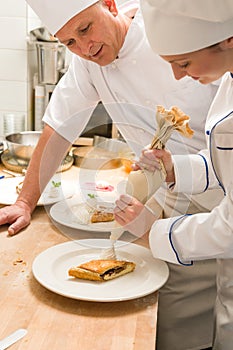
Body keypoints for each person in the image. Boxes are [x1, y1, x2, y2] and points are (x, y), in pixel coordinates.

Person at [0, 0, 222, 348]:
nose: (84, 48)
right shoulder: (87, 65)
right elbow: (58, 127)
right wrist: (25, 202)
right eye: (69, 42)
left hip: (222, 203)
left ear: (109, 5)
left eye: (86, 29)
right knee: (172, 324)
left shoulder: (168, 33)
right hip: (164, 204)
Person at [115, 0, 233, 348]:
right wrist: (174, 168)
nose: (179, 76)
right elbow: (224, 164)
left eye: (183, 62)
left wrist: (152, 232)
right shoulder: (228, 83)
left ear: (228, 39)